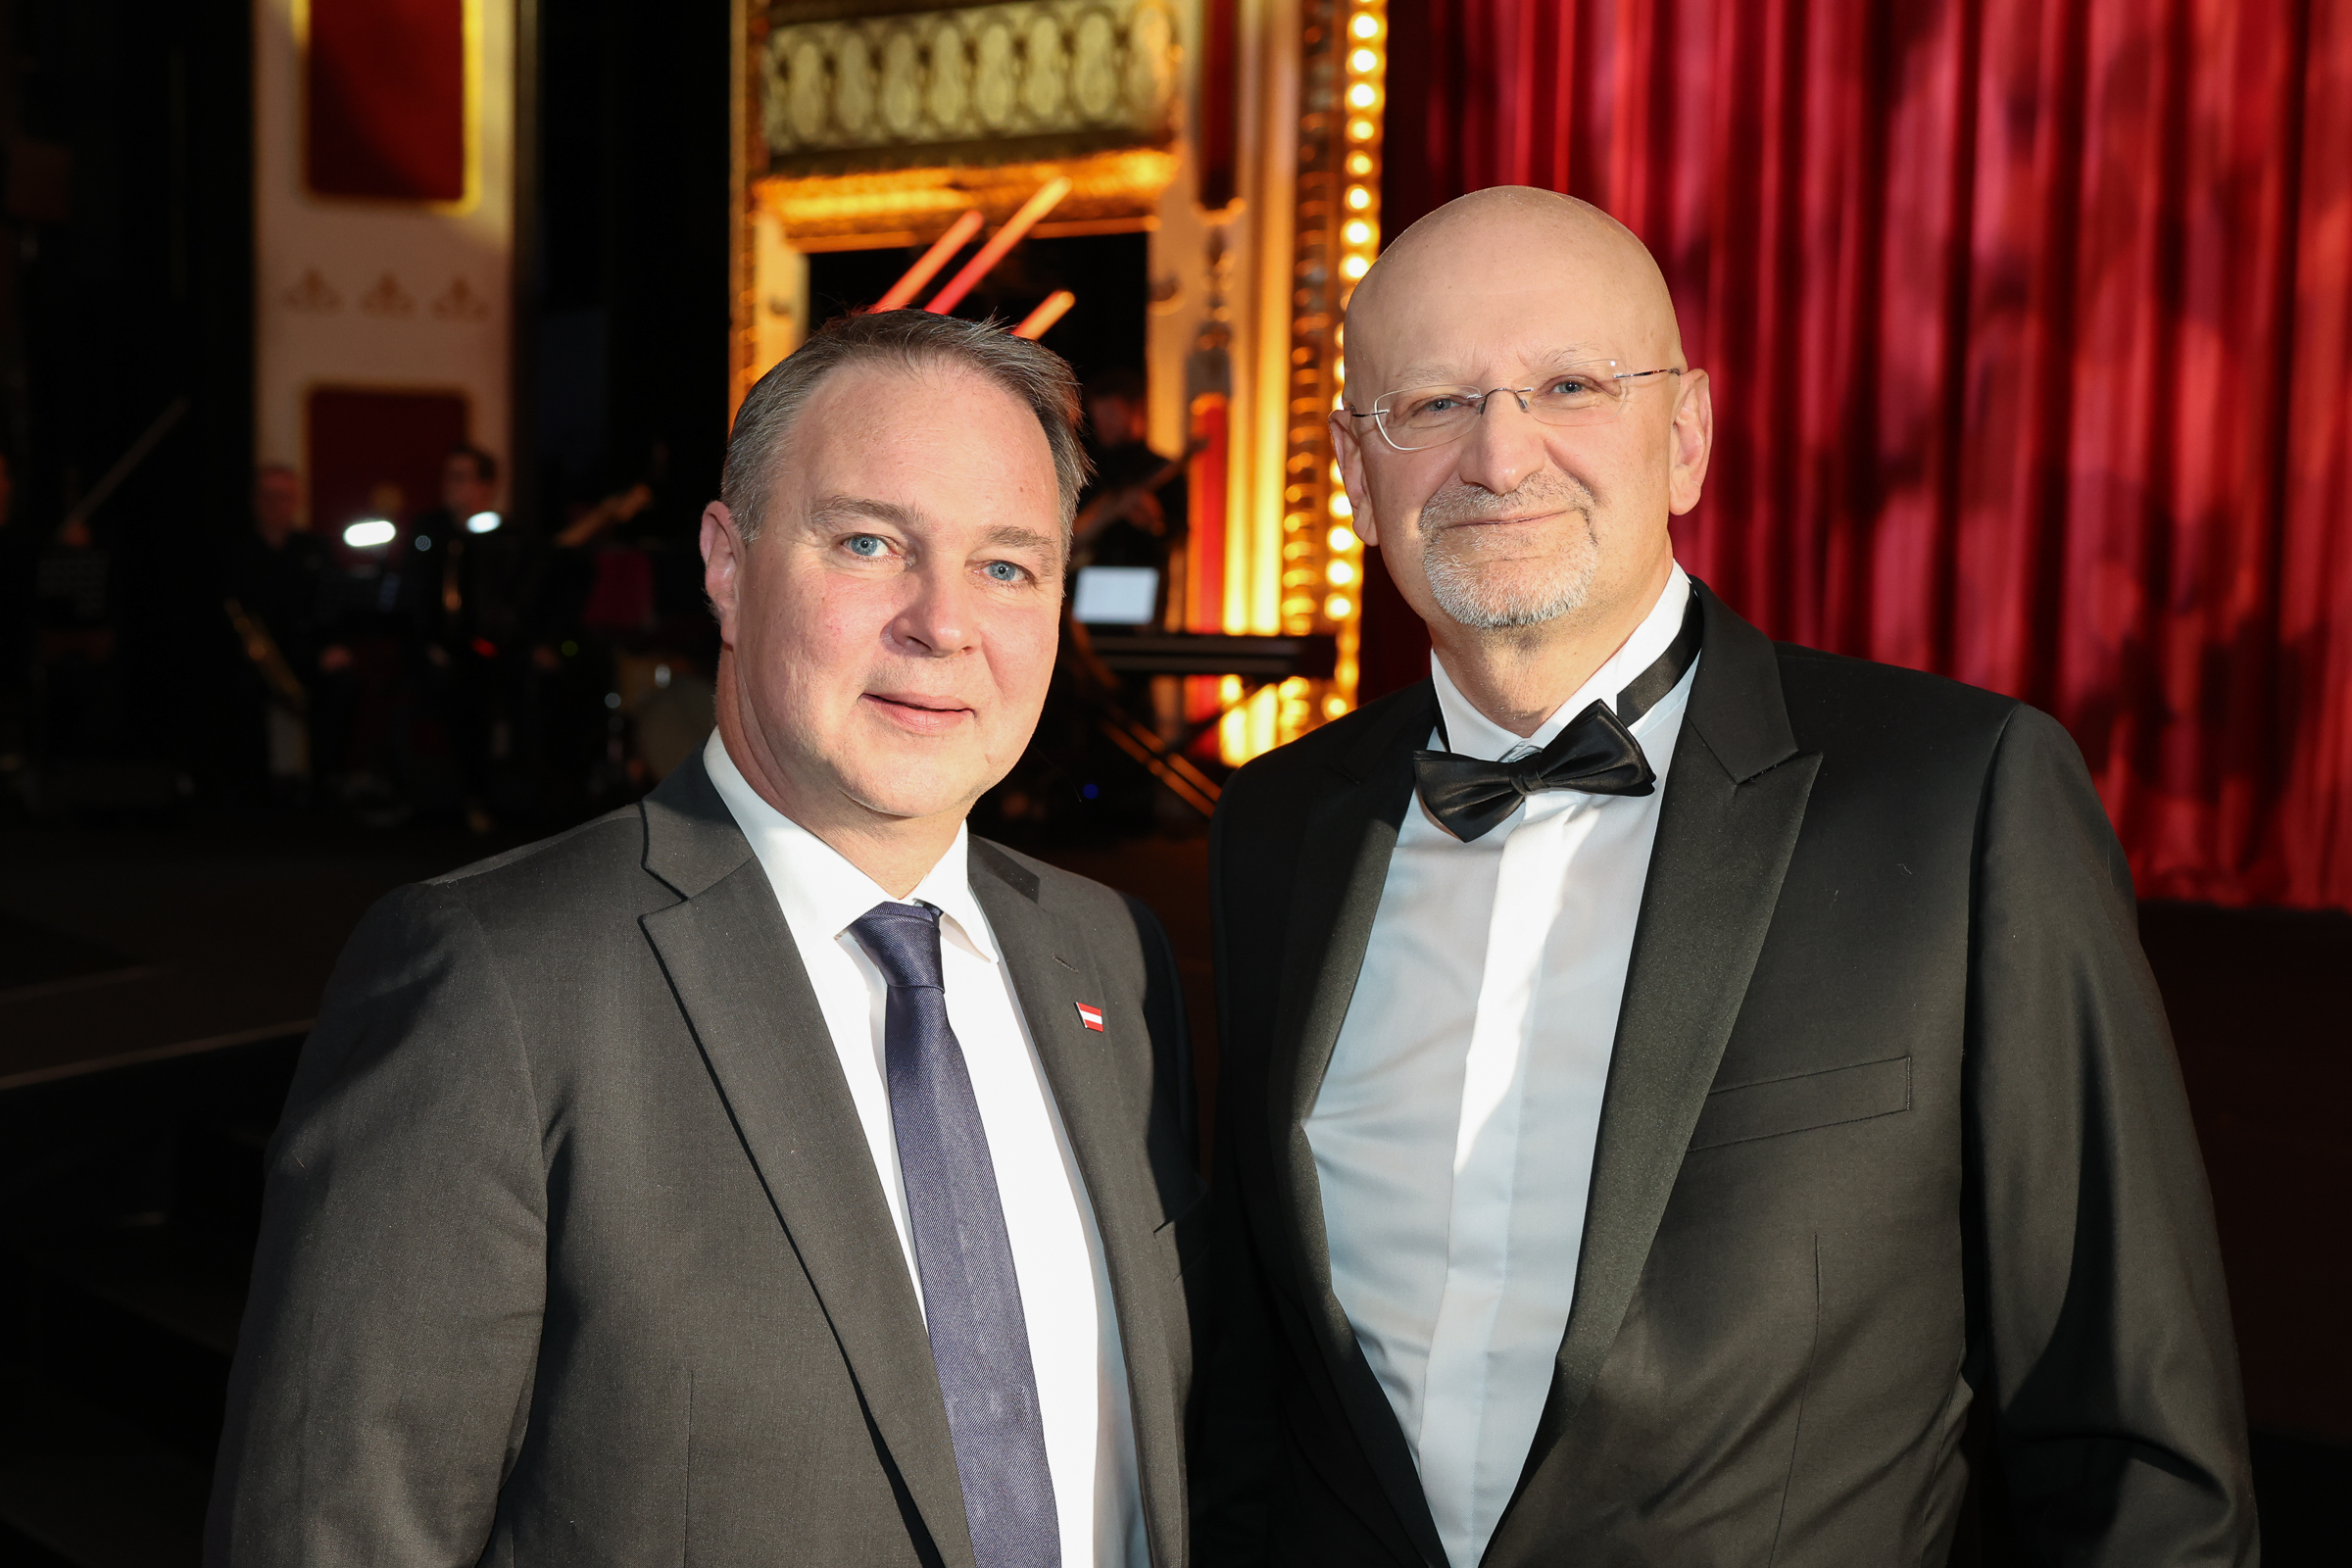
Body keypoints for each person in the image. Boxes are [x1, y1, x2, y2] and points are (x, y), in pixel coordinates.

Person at [1195, 187, 2254, 1566]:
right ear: (1353, 468)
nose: (1499, 456)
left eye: (1570, 386)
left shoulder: (1962, 796)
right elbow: (1246, 1405)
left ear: (1685, 435)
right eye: (1434, 403)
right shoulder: (1277, 826)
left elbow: (2137, 1453)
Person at [211, 311, 1206, 1566]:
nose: (942, 622)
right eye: (869, 542)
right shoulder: (493, 985)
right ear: (727, 565)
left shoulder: (1111, 956)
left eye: (1008, 565)